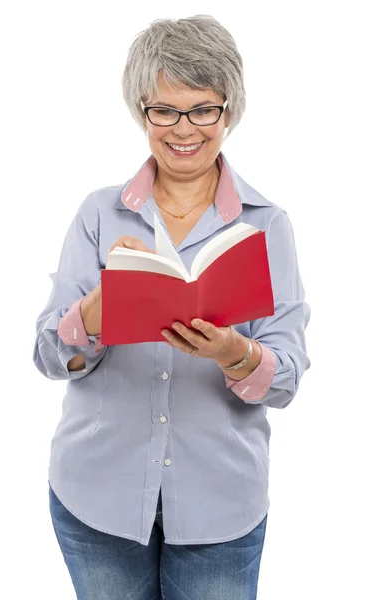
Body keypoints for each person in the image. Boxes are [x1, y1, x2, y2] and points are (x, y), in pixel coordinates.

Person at [33, 14, 311, 600]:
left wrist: (237, 353)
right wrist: (92, 316)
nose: (184, 128)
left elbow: (286, 377)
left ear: (228, 111)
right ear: (142, 112)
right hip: (97, 502)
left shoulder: (267, 226)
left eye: (203, 109)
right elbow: (47, 355)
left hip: (220, 511)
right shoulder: (98, 214)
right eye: (165, 110)